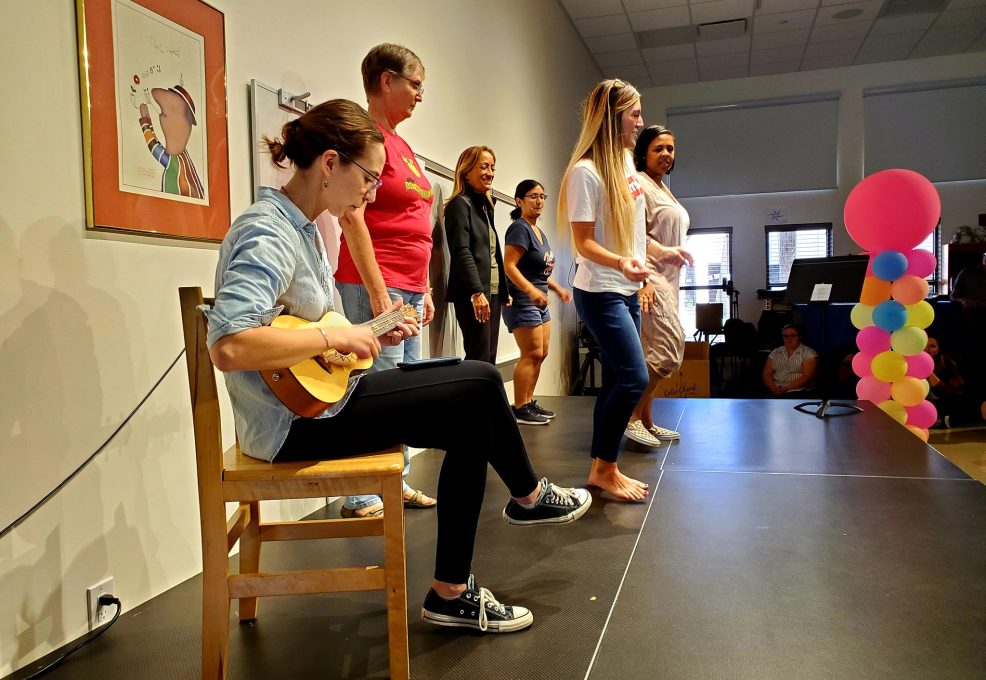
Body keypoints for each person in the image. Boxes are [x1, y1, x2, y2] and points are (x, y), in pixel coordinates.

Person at [205, 99, 591, 633]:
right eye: (369, 177)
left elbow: (299, 339)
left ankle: (451, 592)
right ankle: (526, 497)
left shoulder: (304, 229)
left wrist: (365, 333)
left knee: (472, 422)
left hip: (320, 403)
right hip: (292, 426)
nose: (371, 192)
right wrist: (338, 334)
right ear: (331, 163)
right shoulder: (267, 230)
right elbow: (228, 344)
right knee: (481, 380)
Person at [559, 79, 686, 502]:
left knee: (616, 379)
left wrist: (658, 256)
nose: (641, 122)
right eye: (634, 114)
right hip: (599, 292)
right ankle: (605, 468)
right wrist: (621, 263)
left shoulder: (626, 165)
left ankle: (602, 468)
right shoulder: (586, 172)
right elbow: (583, 243)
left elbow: (632, 235)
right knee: (633, 378)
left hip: (626, 288)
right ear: (613, 118)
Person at [334, 44, 436, 518]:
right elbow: (352, 215)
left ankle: (394, 480)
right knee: (377, 388)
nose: (420, 95)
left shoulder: (403, 147)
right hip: (376, 282)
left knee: (406, 391)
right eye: (414, 84)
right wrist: (379, 295)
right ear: (386, 80)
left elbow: (418, 221)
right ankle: (362, 492)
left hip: (408, 286)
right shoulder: (365, 137)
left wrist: (425, 288)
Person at [625, 125, 694, 447]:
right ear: (643, 153)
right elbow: (632, 236)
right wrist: (643, 282)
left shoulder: (663, 188)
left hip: (670, 280)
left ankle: (646, 421)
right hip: (650, 279)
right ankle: (630, 417)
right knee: (667, 353)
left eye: (670, 148)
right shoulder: (639, 184)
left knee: (653, 351)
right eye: (658, 149)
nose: (666, 154)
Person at [502, 179, 572, 425]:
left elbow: (538, 273)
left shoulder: (538, 232)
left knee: (541, 353)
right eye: (533, 196)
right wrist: (531, 291)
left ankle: (529, 401)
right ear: (519, 201)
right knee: (530, 353)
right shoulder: (519, 228)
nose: (539, 201)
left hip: (539, 301)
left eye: (542, 196)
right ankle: (520, 407)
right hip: (523, 300)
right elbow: (509, 266)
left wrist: (557, 288)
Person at [444, 146, 507, 364]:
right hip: (474, 293)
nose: (490, 173)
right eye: (484, 167)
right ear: (466, 172)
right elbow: (461, 251)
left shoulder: (485, 207)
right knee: (478, 358)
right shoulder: (460, 205)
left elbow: (492, 253)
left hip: (492, 291)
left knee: (489, 359)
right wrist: (476, 292)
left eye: (492, 168)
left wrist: (503, 290)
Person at [925, 335, 975, 428]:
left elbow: (951, 393)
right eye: (924, 345)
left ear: (939, 349)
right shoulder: (913, 363)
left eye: (932, 346)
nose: (927, 349)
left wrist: (930, 373)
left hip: (944, 409)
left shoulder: (946, 362)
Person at [762, 323, 818, 396]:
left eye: (793, 335)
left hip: (797, 391)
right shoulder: (775, 352)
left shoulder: (809, 354)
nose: (789, 339)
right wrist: (772, 388)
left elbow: (807, 377)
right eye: (786, 336)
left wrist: (786, 388)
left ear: (800, 337)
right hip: (775, 389)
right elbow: (767, 373)